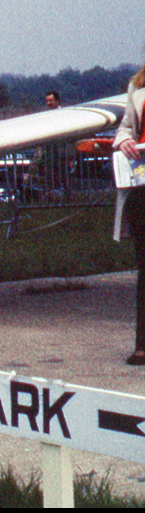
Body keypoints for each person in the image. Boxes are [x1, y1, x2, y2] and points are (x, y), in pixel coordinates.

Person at [114, 62, 145, 365]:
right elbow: (126, 126)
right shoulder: (138, 85)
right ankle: (143, 344)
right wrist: (124, 140)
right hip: (142, 183)